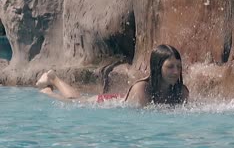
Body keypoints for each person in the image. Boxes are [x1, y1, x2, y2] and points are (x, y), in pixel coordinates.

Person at [36, 44, 189, 107]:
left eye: (178, 67)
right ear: (157, 67)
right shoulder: (141, 89)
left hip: (121, 99)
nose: (176, 72)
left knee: (78, 100)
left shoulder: (182, 91)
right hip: (108, 103)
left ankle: (53, 78)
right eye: (170, 67)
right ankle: (51, 84)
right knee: (77, 103)